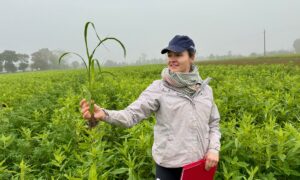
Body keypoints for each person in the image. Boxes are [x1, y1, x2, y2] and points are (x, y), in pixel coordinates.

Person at [80, 35, 221, 180]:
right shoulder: (159, 88)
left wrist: (213, 149)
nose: (172, 59)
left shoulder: (205, 90)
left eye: (178, 55)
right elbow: (131, 115)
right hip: (169, 167)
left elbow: (213, 123)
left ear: (192, 57)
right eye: (169, 55)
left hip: (200, 165)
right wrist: (104, 114)